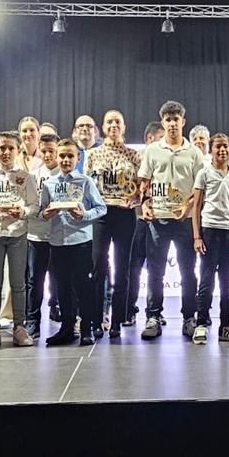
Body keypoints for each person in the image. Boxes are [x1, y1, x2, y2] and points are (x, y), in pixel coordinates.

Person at [137, 100, 205, 340]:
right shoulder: (152, 150)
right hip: (159, 219)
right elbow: (144, 183)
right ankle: (153, 316)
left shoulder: (195, 153)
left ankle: (189, 317)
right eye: (168, 119)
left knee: (188, 272)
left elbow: (200, 189)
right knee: (155, 272)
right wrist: (144, 204)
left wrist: (188, 206)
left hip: (185, 221)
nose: (172, 123)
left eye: (176, 119)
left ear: (183, 122)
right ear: (163, 122)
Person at [38, 139, 107, 346]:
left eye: (70, 156)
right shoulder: (49, 184)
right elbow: (41, 212)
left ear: (78, 158)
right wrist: (46, 213)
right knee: (62, 288)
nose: (66, 159)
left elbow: (101, 208)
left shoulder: (85, 182)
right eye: (62, 156)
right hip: (58, 243)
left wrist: (83, 215)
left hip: (81, 243)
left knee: (83, 287)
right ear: (56, 158)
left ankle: (87, 328)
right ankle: (67, 328)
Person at [0, 131, 39, 347]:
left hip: (17, 234)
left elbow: (34, 205)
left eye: (10, 148)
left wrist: (22, 211)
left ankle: (19, 327)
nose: (6, 152)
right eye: (2, 147)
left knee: (18, 283)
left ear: (18, 150)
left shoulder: (25, 177)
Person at [85, 109, 141, 339]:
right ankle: (98, 319)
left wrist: (135, 199)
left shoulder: (134, 156)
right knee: (98, 267)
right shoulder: (93, 155)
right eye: (109, 122)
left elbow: (141, 188)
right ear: (103, 126)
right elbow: (86, 186)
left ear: (124, 126)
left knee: (122, 269)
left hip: (124, 215)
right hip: (101, 215)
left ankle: (118, 320)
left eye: (118, 121)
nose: (113, 126)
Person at [191, 133, 229, 344]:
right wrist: (197, 236)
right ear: (211, 150)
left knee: (226, 281)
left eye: (225, 147)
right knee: (206, 279)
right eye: (218, 147)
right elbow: (196, 207)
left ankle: (225, 325)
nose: (222, 150)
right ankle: (202, 324)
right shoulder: (204, 174)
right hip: (209, 230)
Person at [124, 121, 163, 327]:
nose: (164, 142)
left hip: (160, 220)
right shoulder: (136, 158)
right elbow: (130, 188)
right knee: (134, 267)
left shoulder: (165, 157)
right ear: (149, 138)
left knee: (156, 269)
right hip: (138, 220)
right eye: (160, 138)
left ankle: (154, 311)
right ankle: (129, 309)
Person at [24, 134, 61, 337]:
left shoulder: (66, 174)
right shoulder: (33, 175)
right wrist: (39, 212)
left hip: (60, 236)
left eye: (51, 151)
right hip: (36, 235)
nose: (47, 155)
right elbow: (30, 204)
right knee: (34, 280)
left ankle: (66, 316)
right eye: (44, 151)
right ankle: (33, 321)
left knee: (62, 279)